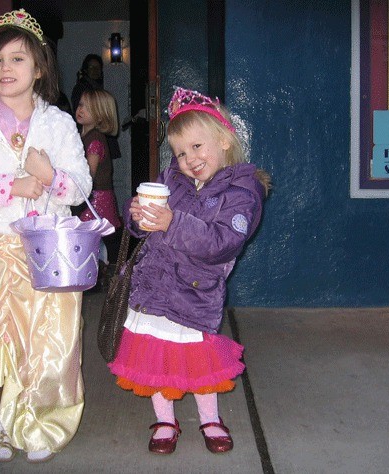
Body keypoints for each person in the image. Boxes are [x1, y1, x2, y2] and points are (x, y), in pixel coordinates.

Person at [0, 9, 92, 464]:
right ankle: (4, 423)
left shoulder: (59, 124)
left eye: (18, 59)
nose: (6, 69)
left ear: (39, 68)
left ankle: (39, 421)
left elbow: (82, 186)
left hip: (48, 249)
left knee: (46, 340)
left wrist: (50, 176)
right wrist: (13, 185)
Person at [108, 87, 271, 454]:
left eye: (198, 147)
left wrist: (170, 223)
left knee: (198, 361)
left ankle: (210, 418)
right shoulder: (171, 181)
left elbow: (222, 242)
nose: (189, 159)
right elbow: (143, 232)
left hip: (196, 292)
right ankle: (165, 420)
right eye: (181, 152)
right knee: (153, 355)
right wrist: (137, 217)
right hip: (151, 288)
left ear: (224, 140)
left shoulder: (242, 192)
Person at [74, 87, 122, 264]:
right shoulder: (81, 135)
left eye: (88, 108)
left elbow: (89, 173)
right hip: (92, 196)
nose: (81, 109)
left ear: (101, 115)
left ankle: (99, 269)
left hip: (97, 198)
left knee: (90, 237)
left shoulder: (95, 139)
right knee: (91, 238)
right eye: (80, 105)